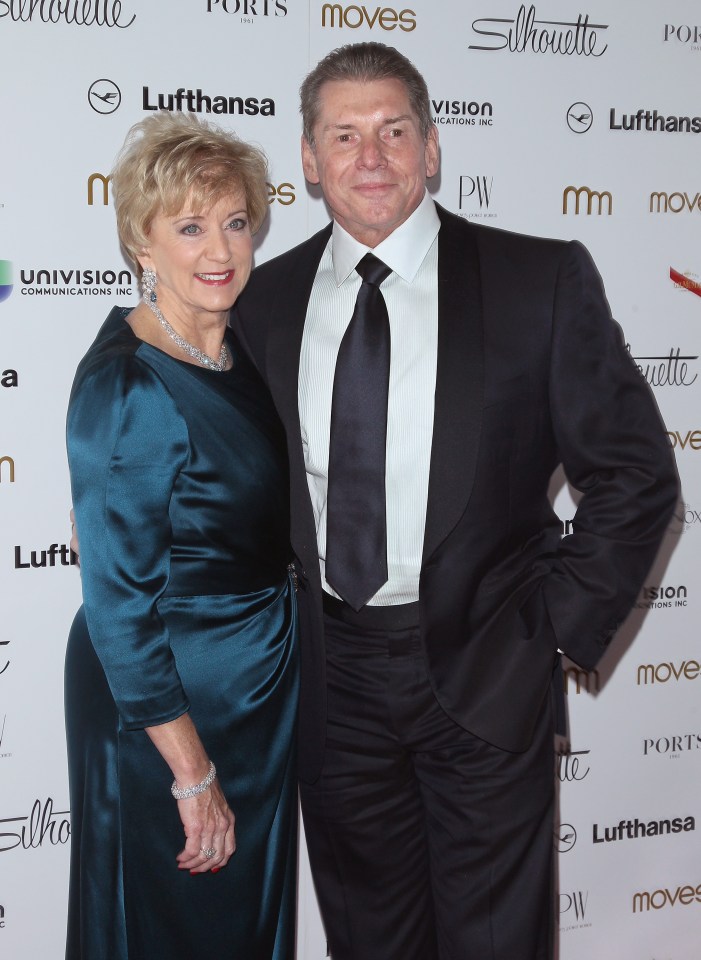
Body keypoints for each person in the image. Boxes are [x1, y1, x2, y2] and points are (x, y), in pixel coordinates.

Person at [232, 42, 679, 960]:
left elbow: (636, 474)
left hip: (485, 671)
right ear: (308, 163)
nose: (370, 157)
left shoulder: (537, 280)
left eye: (394, 130)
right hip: (332, 682)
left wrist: (550, 631)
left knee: (494, 944)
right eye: (343, 135)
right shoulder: (259, 303)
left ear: (431, 148)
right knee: (370, 942)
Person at [64, 111, 298, 960]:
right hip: (165, 709)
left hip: (253, 692)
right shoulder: (128, 382)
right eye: (190, 227)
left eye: (234, 222)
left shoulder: (239, 349)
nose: (219, 250)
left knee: (237, 922)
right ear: (141, 239)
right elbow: (119, 607)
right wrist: (191, 774)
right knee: (166, 922)